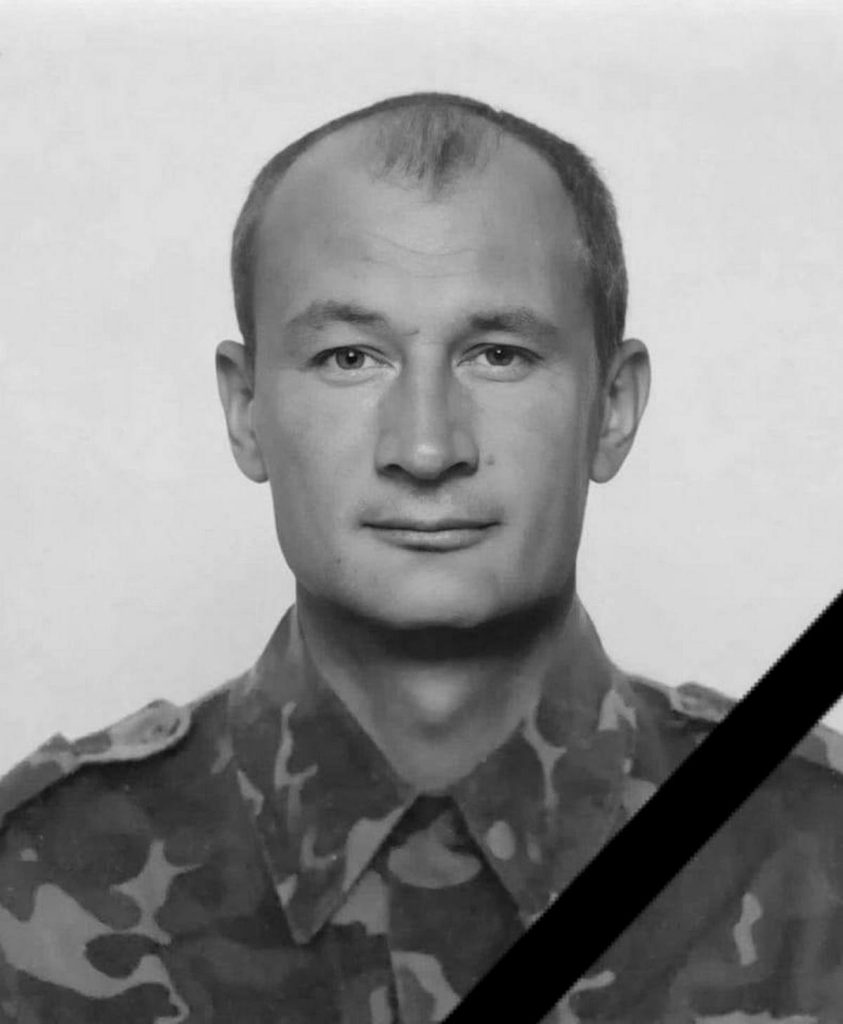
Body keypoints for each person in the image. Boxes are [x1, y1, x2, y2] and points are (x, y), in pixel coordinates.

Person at [1, 92, 841, 1024]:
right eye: (348, 358)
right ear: (245, 412)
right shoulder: (32, 884)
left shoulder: (818, 848)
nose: (427, 448)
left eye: (499, 356)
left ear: (611, 408)